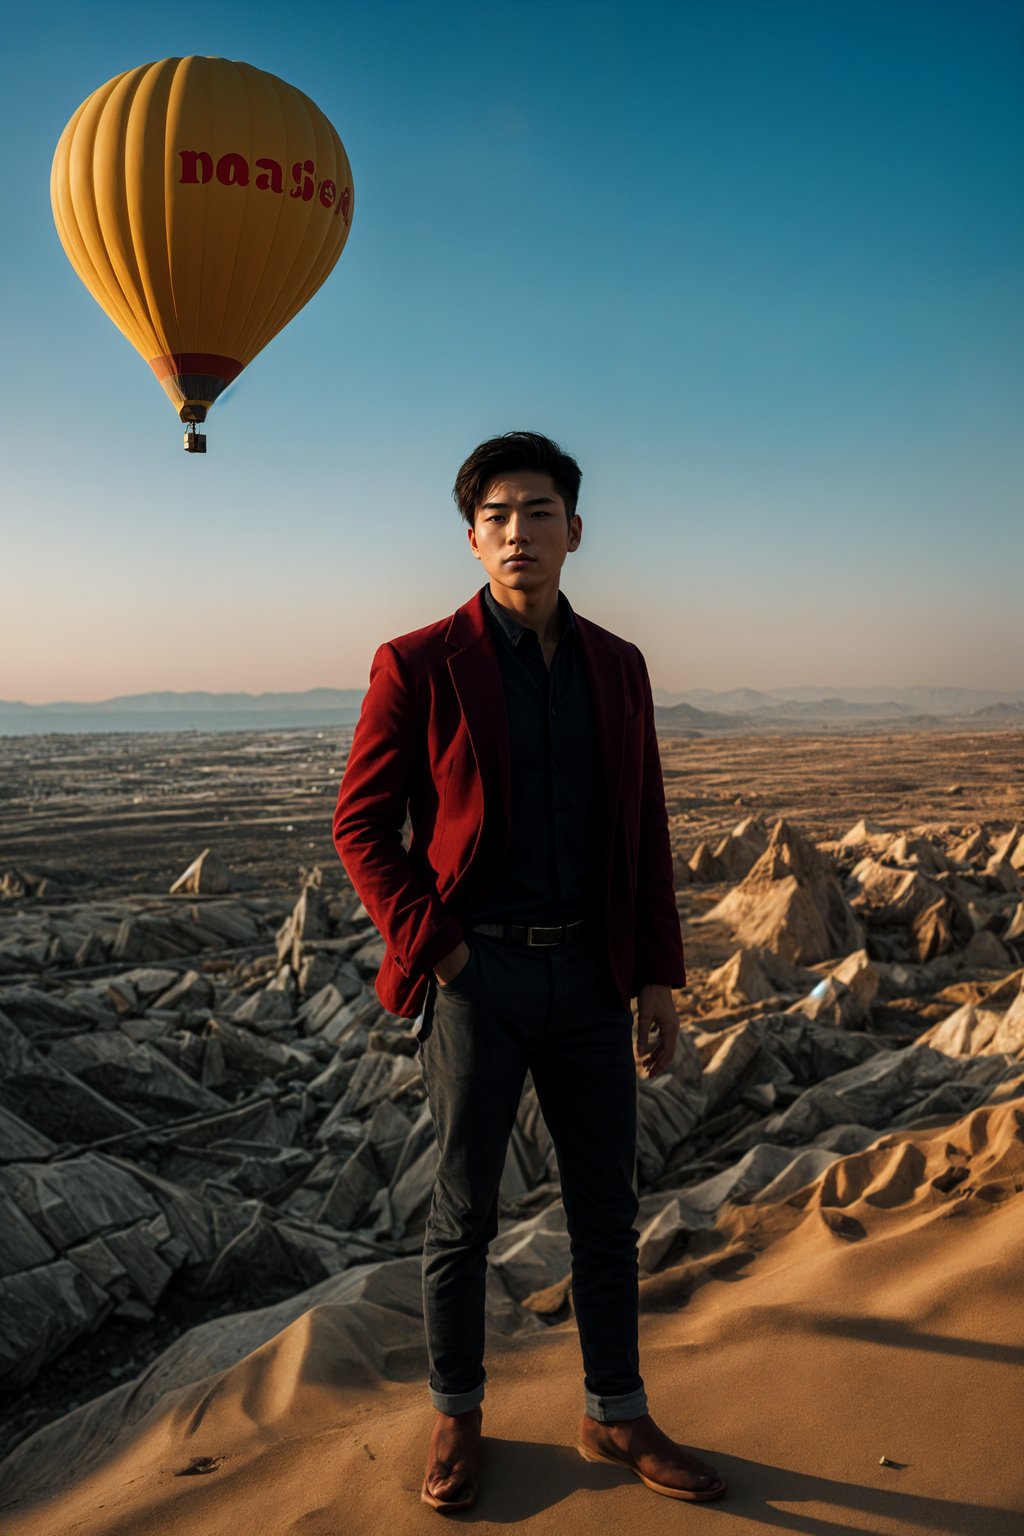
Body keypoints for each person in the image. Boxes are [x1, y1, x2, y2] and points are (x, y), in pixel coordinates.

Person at [332, 431, 726, 1511]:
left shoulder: (619, 666)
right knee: (463, 1212)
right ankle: (456, 1417)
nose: (519, 533)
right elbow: (360, 827)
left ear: (575, 531)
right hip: (478, 982)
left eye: (539, 511)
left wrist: (656, 977)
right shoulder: (417, 664)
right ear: (471, 538)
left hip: (592, 979)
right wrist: (444, 949)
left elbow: (639, 827)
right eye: (498, 516)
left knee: (608, 1204)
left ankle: (615, 1412)